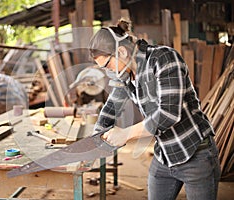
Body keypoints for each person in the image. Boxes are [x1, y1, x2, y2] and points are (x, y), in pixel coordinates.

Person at [88, 19, 221, 200]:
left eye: (107, 65)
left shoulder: (164, 59)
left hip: (195, 153)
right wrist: (97, 137)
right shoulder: (125, 74)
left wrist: (126, 134)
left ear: (121, 51)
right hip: (165, 154)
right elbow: (111, 106)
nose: (108, 71)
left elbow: (168, 114)